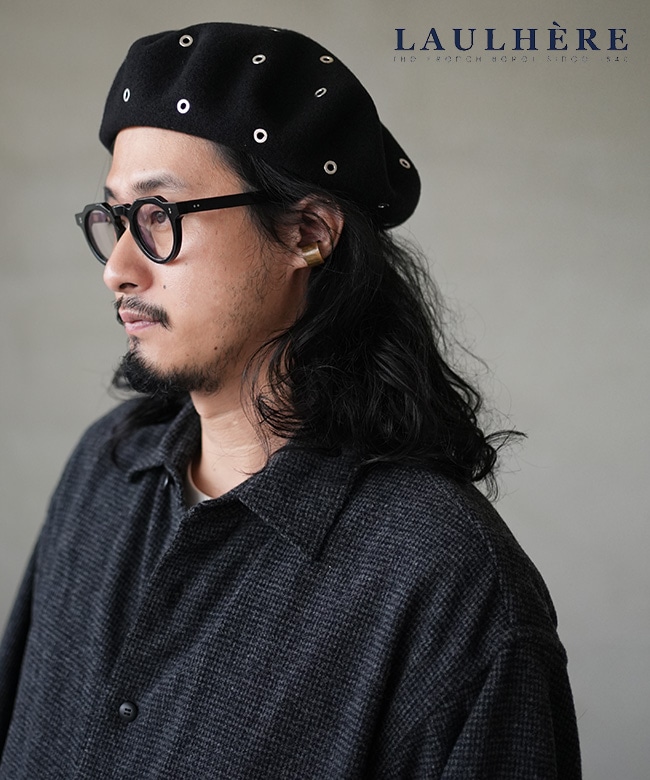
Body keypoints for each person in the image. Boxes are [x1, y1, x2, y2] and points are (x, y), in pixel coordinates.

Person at [0, 22, 581, 779]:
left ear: (306, 233)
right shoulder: (107, 468)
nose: (118, 268)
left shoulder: (448, 582)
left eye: (159, 215)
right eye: (114, 217)